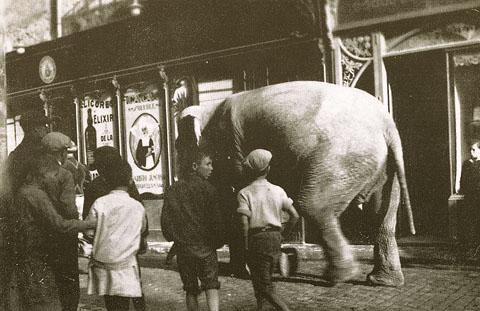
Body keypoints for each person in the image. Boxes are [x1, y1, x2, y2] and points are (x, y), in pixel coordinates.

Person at [10, 155, 96, 311]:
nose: (55, 179)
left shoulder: (24, 191)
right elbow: (59, 225)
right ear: (43, 173)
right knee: (44, 302)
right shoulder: (36, 195)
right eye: (54, 174)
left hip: (27, 253)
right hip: (35, 255)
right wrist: (88, 224)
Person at [83, 146, 148, 310]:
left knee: (112, 299)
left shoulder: (94, 188)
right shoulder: (127, 183)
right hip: (129, 249)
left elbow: (88, 224)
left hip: (106, 252)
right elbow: (141, 215)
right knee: (134, 287)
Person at [237, 149, 299, 311]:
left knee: (264, 286)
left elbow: (244, 223)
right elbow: (295, 216)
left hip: (256, 239)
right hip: (274, 239)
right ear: (268, 169)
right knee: (260, 283)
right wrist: (282, 235)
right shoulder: (278, 191)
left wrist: (244, 245)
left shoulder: (245, 193)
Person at [161, 151, 224, 311]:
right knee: (211, 287)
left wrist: (175, 238)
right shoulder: (209, 189)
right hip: (206, 248)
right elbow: (216, 222)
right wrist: (216, 242)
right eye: (208, 164)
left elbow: (166, 222)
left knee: (190, 289)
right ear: (195, 166)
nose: (212, 168)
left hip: (184, 249)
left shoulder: (172, 190)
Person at [41, 132, 81, 311]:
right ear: (61, 153)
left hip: (42, 235)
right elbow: (69, 208)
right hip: (63, 235)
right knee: (68, 286)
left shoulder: (36, 172)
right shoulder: (63, 175)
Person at [460, 140, 480, 247]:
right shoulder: (467, 164)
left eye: (474, 150)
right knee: (471, 222)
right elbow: (463, 182)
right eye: (470, 150)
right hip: (471, 198)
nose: (471, 152)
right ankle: (472, 246)